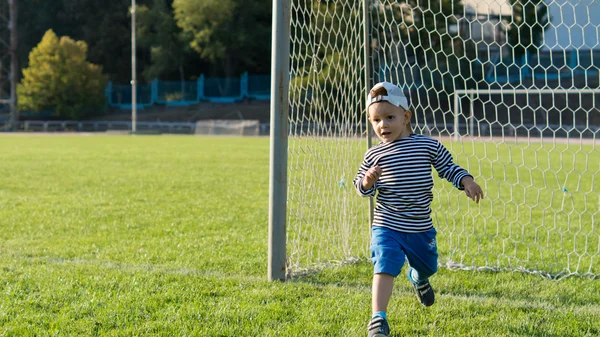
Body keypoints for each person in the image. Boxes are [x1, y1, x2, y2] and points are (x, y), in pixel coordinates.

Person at [353, 82, 484, 337]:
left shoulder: (427, 146)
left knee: (428, 267)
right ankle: (378, 319)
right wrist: (367, 181)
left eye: (389, 117)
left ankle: (419, 278)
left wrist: (466, 180)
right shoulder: (373, 156)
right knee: (385, 263)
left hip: (419, 227)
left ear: (406, 116)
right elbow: (361, 188)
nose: (383, 125)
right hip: (387, 224)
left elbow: (448, 167)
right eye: (376, 120)